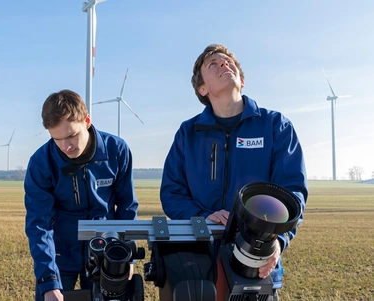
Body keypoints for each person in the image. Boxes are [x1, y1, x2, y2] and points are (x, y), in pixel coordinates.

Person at [160, 44, 307, 300]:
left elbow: (292, 193)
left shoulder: (276, 126)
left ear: (242, 79)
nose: (224, 65)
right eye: (213, 64)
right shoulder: (188, 133)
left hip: (255, 258)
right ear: (202, 89)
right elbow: (172, 192)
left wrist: (278, 243)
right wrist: (201, 216)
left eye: (229, 62)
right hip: (199, 259)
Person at [24, 89, 139, 301]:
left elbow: (127, 207)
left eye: (71, 136)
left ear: (86, 121)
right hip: (59, 254)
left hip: (104, 250)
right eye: (57, 139)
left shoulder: (117, 150)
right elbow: (39, 224)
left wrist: (127, 256)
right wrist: (48, 282)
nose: (65, 147)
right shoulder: (41, 163)